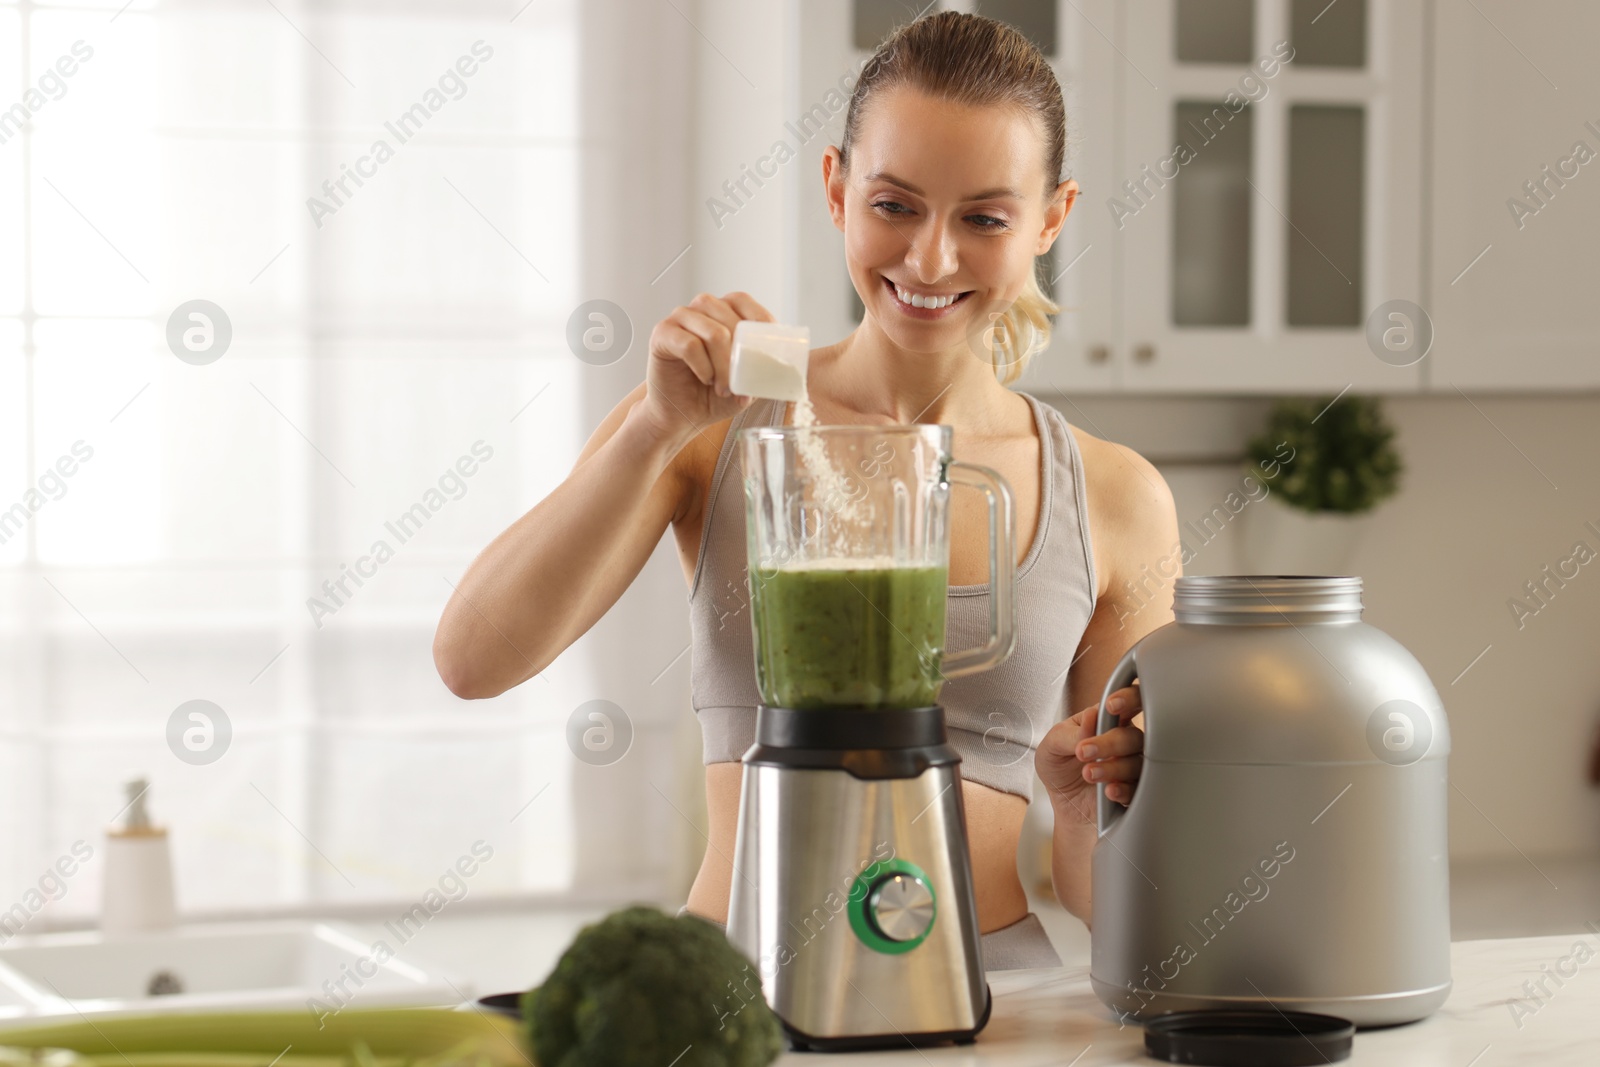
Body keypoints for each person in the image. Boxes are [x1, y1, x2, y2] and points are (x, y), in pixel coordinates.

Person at [432, 11, 1179, 969]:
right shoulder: (714, 421)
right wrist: (655, 431)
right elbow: (474, 659)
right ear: (836, 187)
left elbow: (1139, 911)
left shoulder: (1113, 495)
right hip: (739, 987)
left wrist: (1080, 809)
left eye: (985, 218)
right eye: (895, 205)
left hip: (987, 995)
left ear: (1052, 218)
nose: (930, 259)